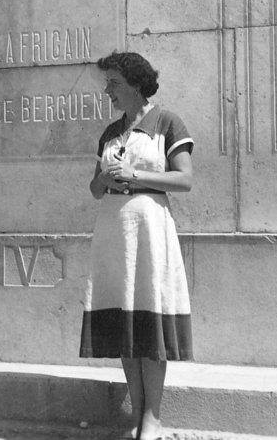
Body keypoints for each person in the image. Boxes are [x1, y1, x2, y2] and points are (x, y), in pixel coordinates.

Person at [80, 52, 194, 440]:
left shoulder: (166, 122)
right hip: (115, 236)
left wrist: (135, 173)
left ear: (133, 82)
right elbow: (94, 189)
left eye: (112, 82)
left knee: (151, 321)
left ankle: (153, 417)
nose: (107, 90)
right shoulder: (110, 133)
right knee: (127, 323)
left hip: (151, 234)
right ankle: (137, 411)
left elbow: (184, 180)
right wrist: (108, 181)